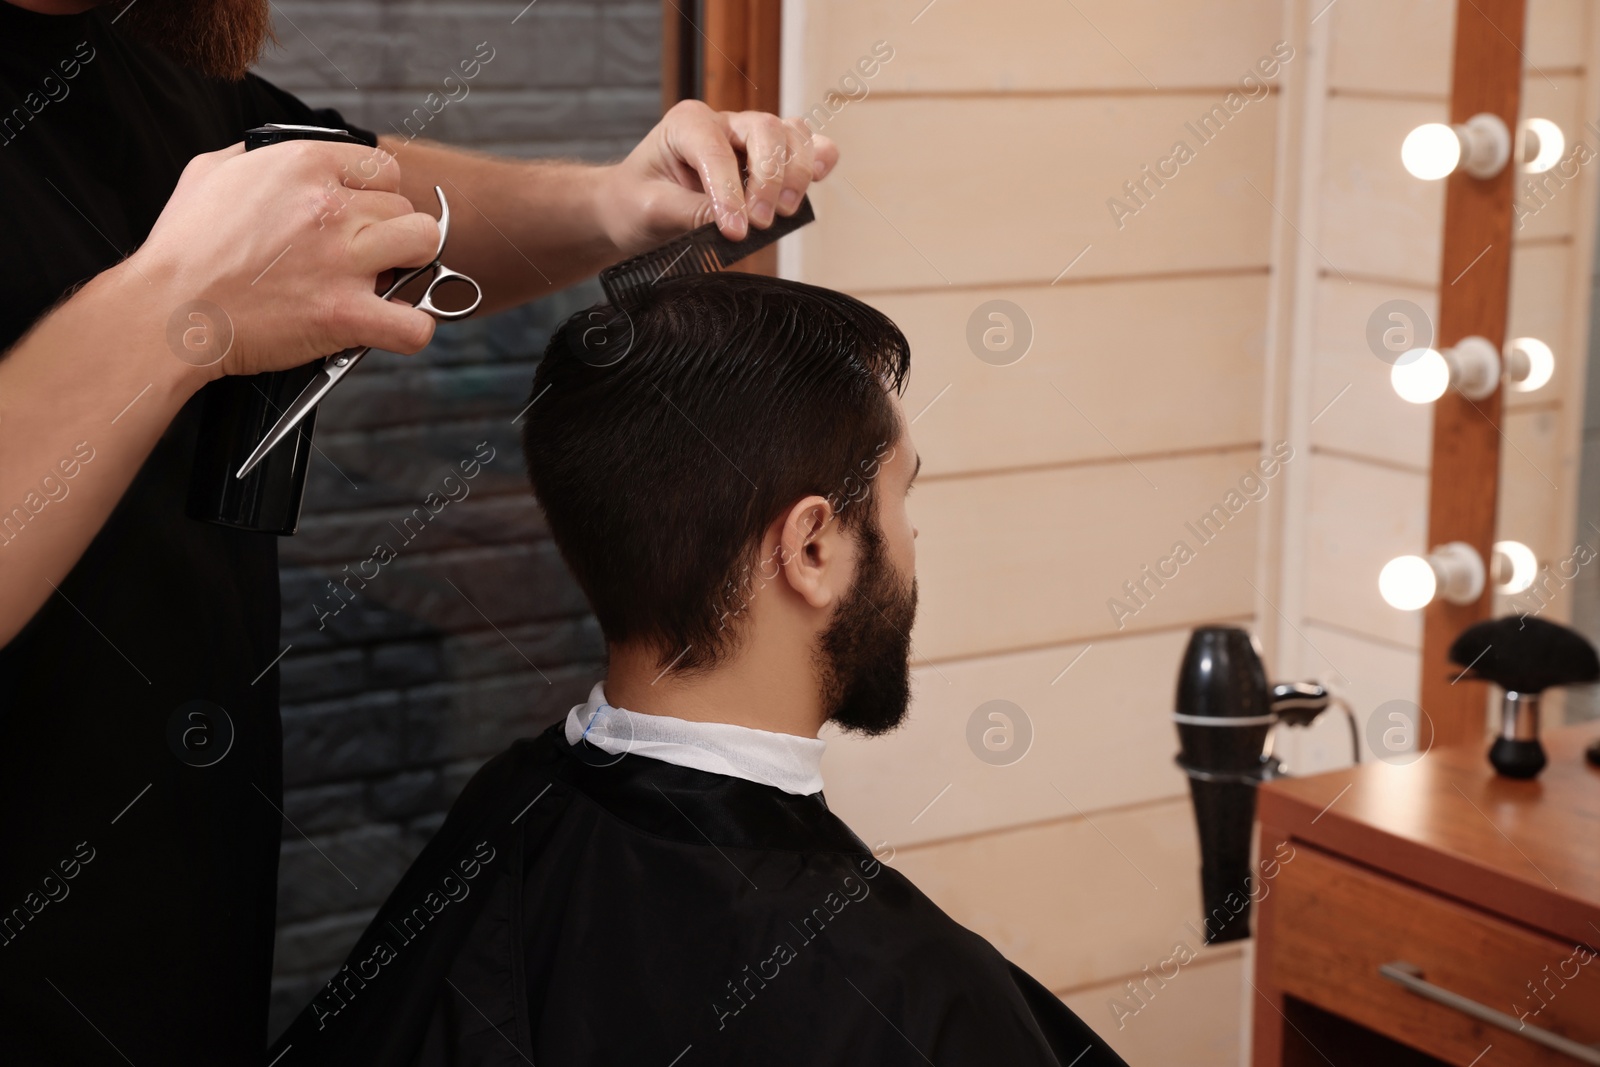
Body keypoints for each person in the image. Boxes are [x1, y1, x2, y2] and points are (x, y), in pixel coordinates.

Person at [0, 3, 835, 1063]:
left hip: (171, 940)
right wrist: (179, 303)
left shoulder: (137, 54)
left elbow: (365, 199)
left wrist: (615, 205)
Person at [267, 273, 1129, 1066]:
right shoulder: (914, 988)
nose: (913, 540)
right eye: (906, 494)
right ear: (812, 547)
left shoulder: (505, 814)